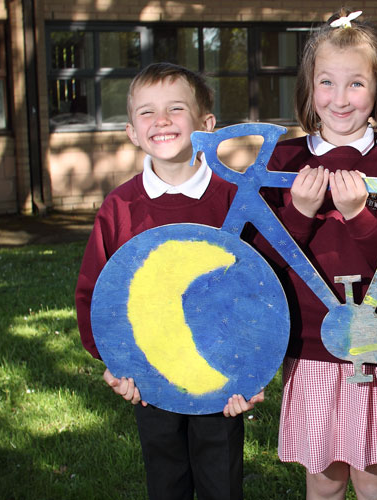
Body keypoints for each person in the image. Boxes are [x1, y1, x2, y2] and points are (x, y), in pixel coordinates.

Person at [226, 10, 377, 500]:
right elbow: (254, 265)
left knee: (374, 475)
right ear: (308, 87)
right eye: (327, 82)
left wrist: (362, 215)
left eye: (356, 84)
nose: (340, 99)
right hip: (311, 345)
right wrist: (297, 213)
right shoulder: (280, 161)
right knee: (323, 478)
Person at [74, 62, 244, 500]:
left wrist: (251, 369)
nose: (162, 120)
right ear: (132, 131)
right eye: (147, 112)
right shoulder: (120, 207)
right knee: (165, 480)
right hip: (149, 374)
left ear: (207, 125)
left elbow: (257, 291)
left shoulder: (234, 202)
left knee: (220, 479)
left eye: (175, 109)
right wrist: (115, 362)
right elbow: (96, 294)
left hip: (218, 373)